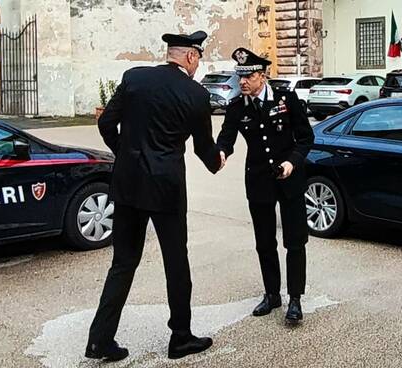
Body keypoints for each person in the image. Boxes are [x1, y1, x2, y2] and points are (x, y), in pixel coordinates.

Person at [85, 31, 224, 362]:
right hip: (166, 189)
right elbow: (205, 150)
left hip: (129, 184)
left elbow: (107, 123)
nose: (198, 64)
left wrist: (126, 155)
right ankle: (180, 337)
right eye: (198, 58)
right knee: (176, 262)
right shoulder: (195, 94)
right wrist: (218, 160)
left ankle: (99, 340)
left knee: (123, 262)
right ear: (190, 56)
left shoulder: (134, 78)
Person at [217, 47, 314, 325]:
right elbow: (226, 138)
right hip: (259, 179)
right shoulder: (237, 106)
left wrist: (292, 162)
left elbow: (306, 138)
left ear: (262, 76)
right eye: (239, 77)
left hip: (289, 178)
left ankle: (294, 298)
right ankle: (272, 295)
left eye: (248, 77)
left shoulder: (286, 98)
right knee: (264, 242)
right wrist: (220, 153)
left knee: (295, 240)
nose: (242, 82)